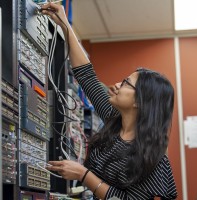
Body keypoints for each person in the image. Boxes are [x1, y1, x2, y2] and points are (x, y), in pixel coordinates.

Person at [41, 3, 178, 200]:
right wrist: (64, 25)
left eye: (125, 83)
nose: (115, 84)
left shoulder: (154, 159)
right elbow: (87, 76)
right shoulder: (114, 120)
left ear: (139, 101)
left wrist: (83, 175)